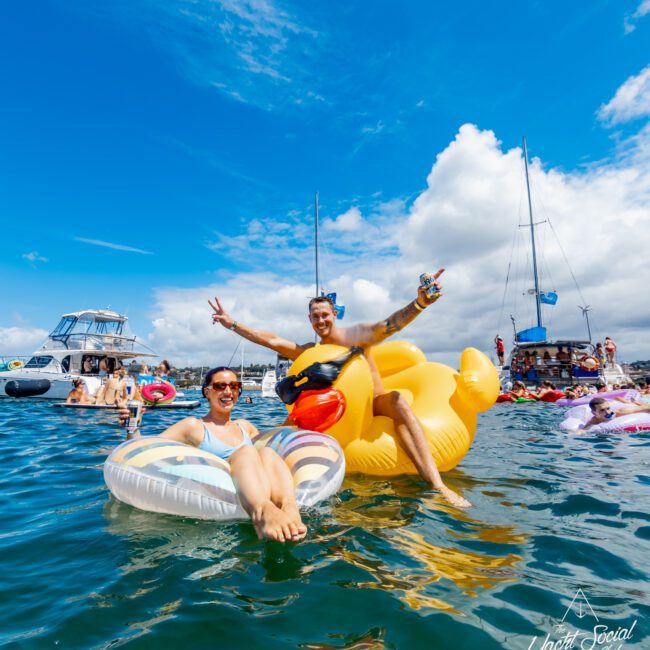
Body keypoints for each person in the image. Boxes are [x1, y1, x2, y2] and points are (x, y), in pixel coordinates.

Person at [208, 270, 471, 508]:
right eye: (315, 317)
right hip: (329, 418)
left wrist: (420, 304)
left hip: (371, 404)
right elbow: (270, 340)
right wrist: (232, 324)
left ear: (334, 315)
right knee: (280, 431)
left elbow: (391, 324)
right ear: (310, 320)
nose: (320, 320)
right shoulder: (310, 351)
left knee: (398, 400)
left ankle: (436, 484)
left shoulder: (356, 339)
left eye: (325, 315)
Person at [121, 367, 307, 542]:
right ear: (207, 392)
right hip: (223, 490)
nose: (228, 392)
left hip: (254, 483)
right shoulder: (194, 426)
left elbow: (276, 438)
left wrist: (300, 404)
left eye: (234, 386)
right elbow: (149, 450)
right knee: (247, 451)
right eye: (220, 386)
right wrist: (133, 428)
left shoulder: (245, 426)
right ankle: (262, 513)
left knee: (266, 452)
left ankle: (290, 508)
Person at [579, 397, 650, 431]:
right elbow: (582, 430)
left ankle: (634, 402)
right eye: (602, 410)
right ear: (594, 413)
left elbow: (646, 407)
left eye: (608, 408)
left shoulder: (621, 412)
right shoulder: (594, 420)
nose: (607, 412)